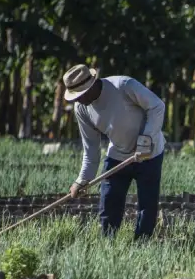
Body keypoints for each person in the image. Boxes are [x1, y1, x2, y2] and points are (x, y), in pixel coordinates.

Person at [63, 64, 166, 240]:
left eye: (81, 95)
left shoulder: (123, 85)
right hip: (118, 154)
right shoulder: (81, 108)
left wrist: (145, 139)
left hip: (150, 153)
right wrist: (82, 180)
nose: (79, 99)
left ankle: (142, 245)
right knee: (109, 200)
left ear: (93, 84)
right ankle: (107, 243)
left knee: (146, 206)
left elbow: (157, 106)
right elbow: (91, 148)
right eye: (76, 97)